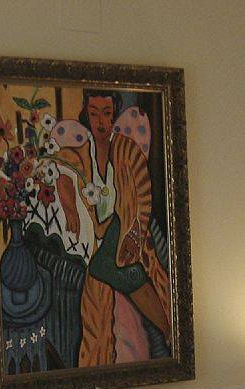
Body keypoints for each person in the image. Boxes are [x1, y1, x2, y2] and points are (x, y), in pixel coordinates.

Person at [55, 90, 172, 366]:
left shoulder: (128, 151)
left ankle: (168, 329)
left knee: (111, 267)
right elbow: (61, 173)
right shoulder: (81, 154)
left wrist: (135, 233)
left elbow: (143, 195)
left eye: (106, 114)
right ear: (86, 115)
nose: (100, 121)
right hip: (98, 237)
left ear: (114, 115)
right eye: (94, 114)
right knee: (97, 293)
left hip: (127, 227)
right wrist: (70, 209)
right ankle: (102, 360)